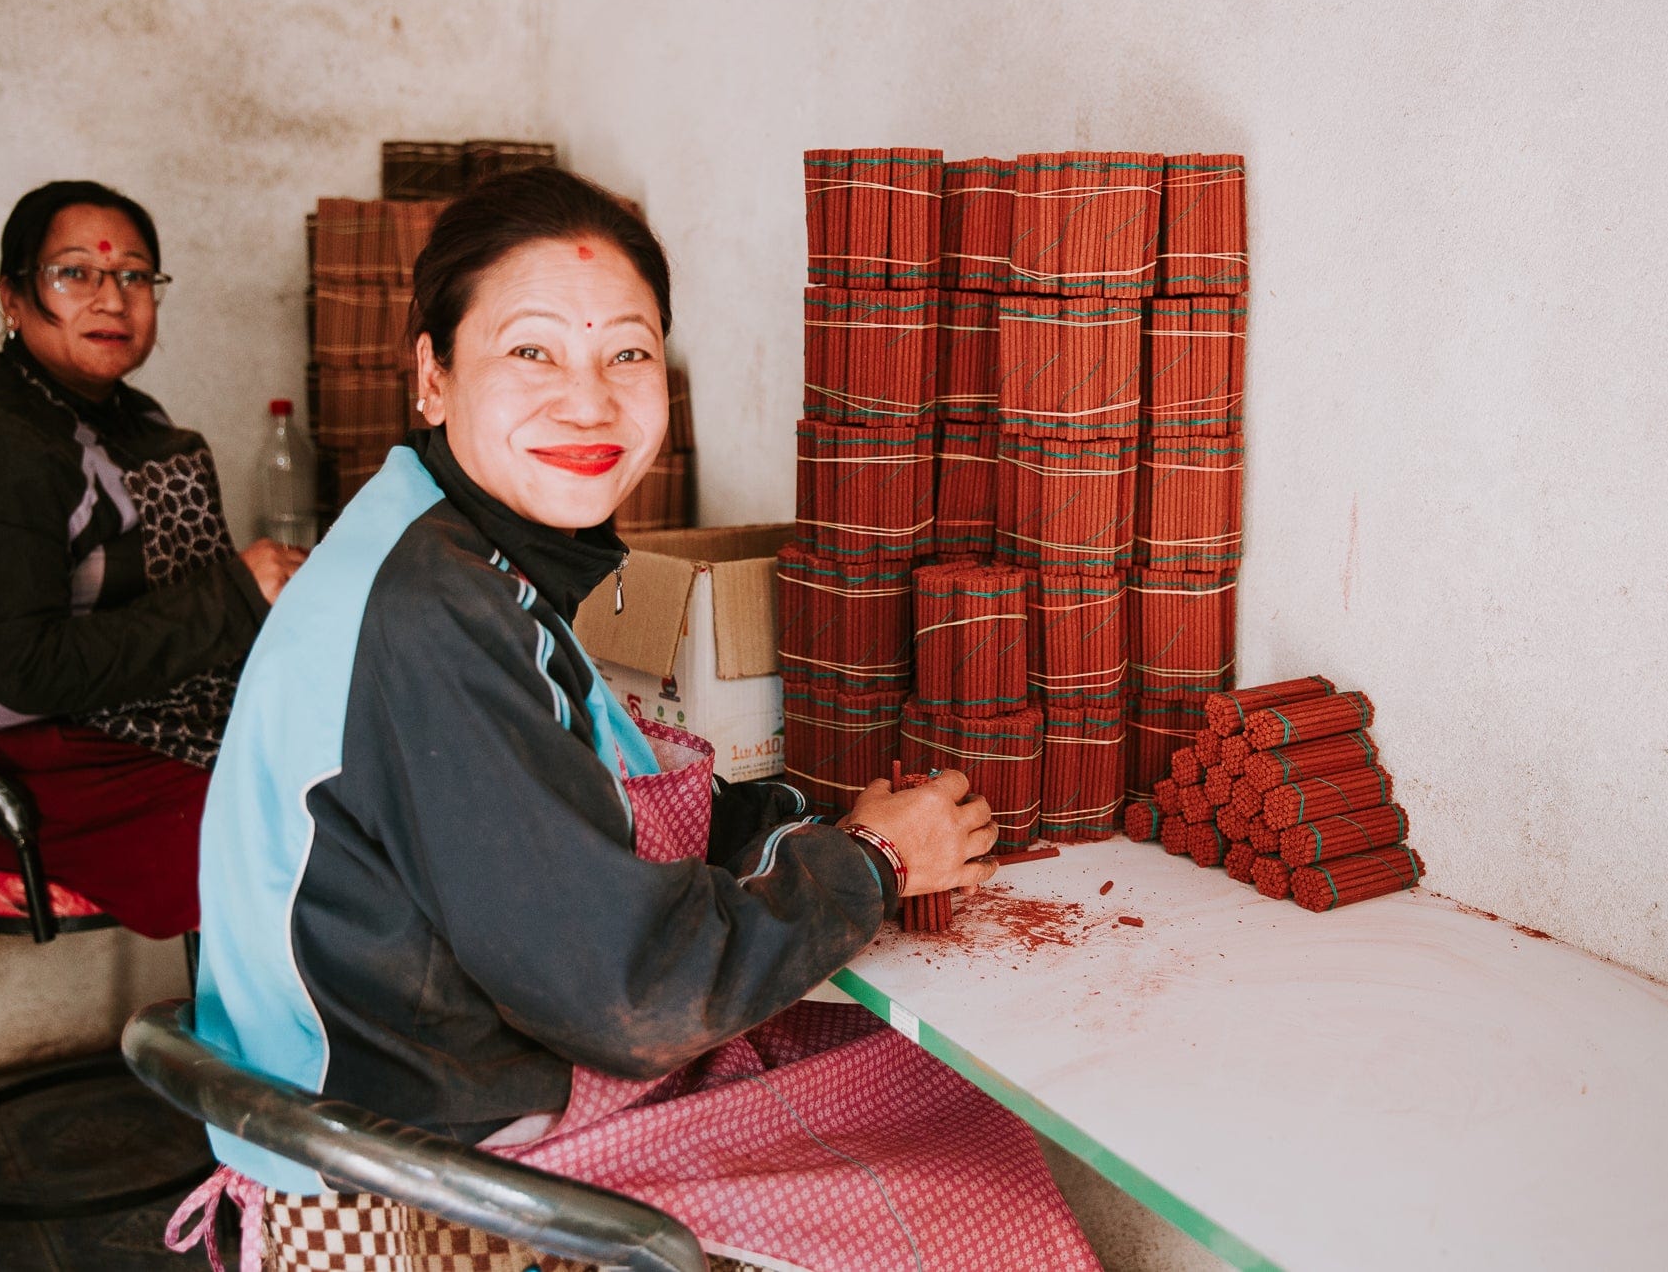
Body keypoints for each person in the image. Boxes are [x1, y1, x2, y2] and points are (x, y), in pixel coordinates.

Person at [172, 169, 1102, 1271]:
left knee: (866, 1062)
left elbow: (583, 799)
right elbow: (635, 999)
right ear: (431, 375)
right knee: (943, 1151)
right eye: (531, 352)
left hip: (442, 1064)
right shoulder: (434, 613)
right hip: (410, 1162)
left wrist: (799, 819)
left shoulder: (450, 546)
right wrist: (872, 861)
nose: (589, 400)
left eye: (627, 352)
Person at [0, 181, 305, 939]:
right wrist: (235, 594)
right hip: (34, 770)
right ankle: (263, 1049)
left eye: (135, 276)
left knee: (359, 769)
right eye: (74, 273)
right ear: (12, 299)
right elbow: (26, 670)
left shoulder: (127, 415)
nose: (112, 299)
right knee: (311, 844)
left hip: (143, 728)